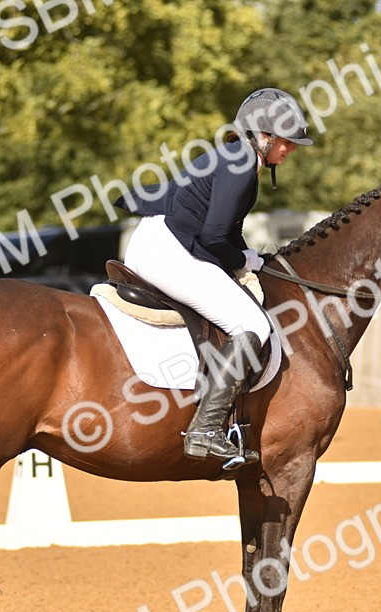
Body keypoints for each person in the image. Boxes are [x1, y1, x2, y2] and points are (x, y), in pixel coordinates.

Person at [115, 87, 313, 466]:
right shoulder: (240, 165)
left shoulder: (238, 158)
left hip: (164, 239)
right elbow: (212, 237)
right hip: (167, 251)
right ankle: (205, 428)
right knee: (252, 322)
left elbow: (225, 230)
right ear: (264, 135)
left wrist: (250, 257)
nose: (292, 150)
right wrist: (242, 260)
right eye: (287, 142)